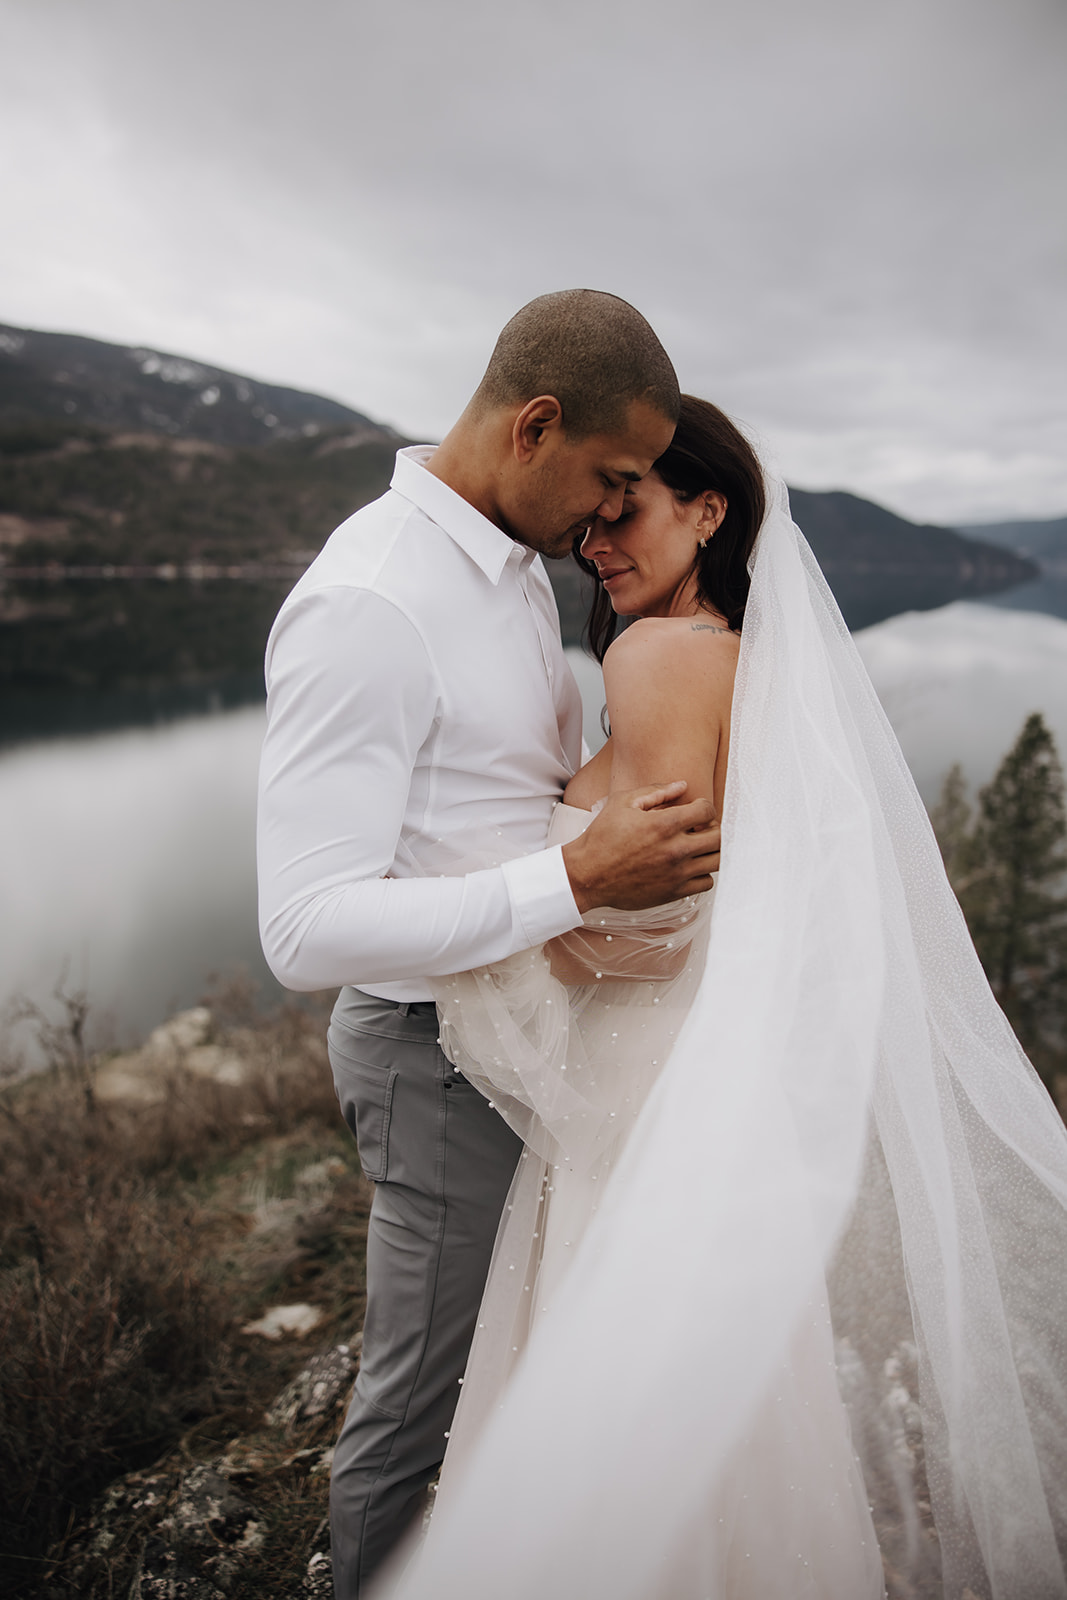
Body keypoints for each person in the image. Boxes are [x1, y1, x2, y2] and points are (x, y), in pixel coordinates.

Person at [379, 397, 1067, 1600]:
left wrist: (511, 922)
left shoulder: (652, 655)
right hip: (693, 1070)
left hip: (636, 1084)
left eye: (624, 509)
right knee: (707, 1391)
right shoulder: (748, 666)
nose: (596, 537)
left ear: (708, 512)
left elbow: (650, 925)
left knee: (611, 1395)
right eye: (590, 517)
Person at [255, 291, 724, 1599]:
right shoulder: (371, 603)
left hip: (527, 1031)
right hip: (433, 1053)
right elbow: (302, 928)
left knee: (517, 1370)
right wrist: (573, 879)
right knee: (417, 1410)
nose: (607, 514)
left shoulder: (511, 570)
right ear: (533, 425)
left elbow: (500, 800)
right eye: (609, 476)